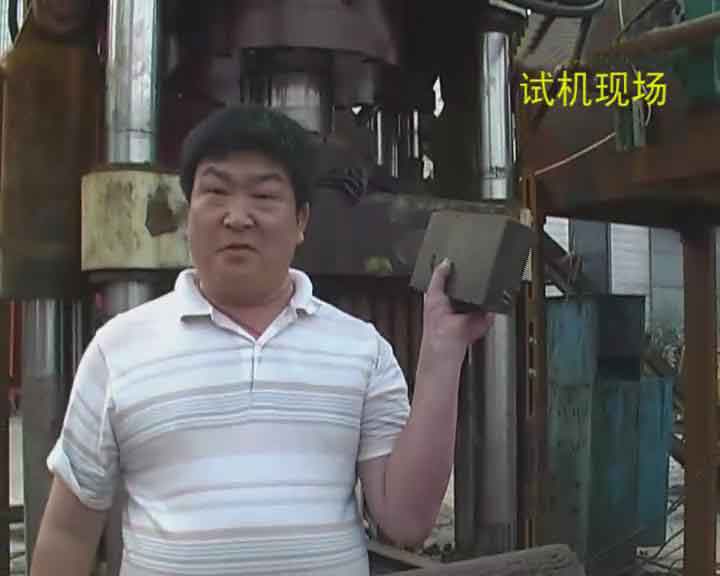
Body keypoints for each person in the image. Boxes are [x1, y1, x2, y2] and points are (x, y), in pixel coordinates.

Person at [30, 106, 493, 576]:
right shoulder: (118, 349)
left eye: (264, 196)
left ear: (301, 221)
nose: (237, 217)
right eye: (215, 192)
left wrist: (443, 351)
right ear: (188, 214)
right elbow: (69, 533)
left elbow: (407, 520)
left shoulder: (362, 351)